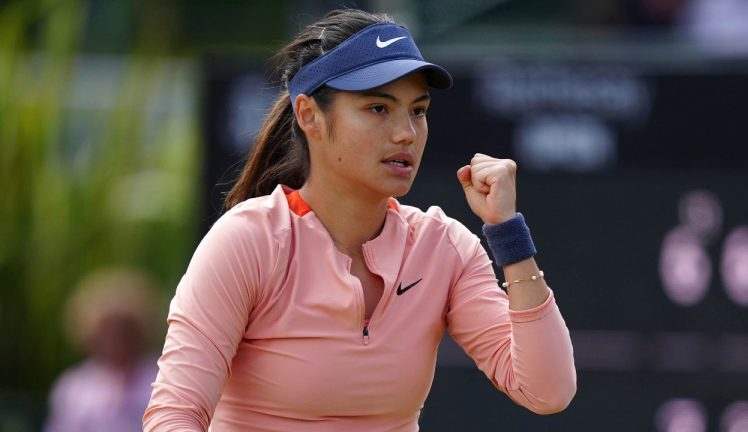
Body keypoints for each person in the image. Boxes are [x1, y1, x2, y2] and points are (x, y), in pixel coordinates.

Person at [144, 8, 576, 432]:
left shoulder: (443, 246)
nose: (406, 132)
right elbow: (173, 415)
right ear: (308, 115)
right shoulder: (248, 241)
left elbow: (547, 391)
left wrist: (507, 234)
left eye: (418, 110)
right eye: (378, 108)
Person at [45, 267, 161, 432]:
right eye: (107, 330)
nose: (116, 338)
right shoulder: (74, 387)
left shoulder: (163, 378)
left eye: (125, 329)